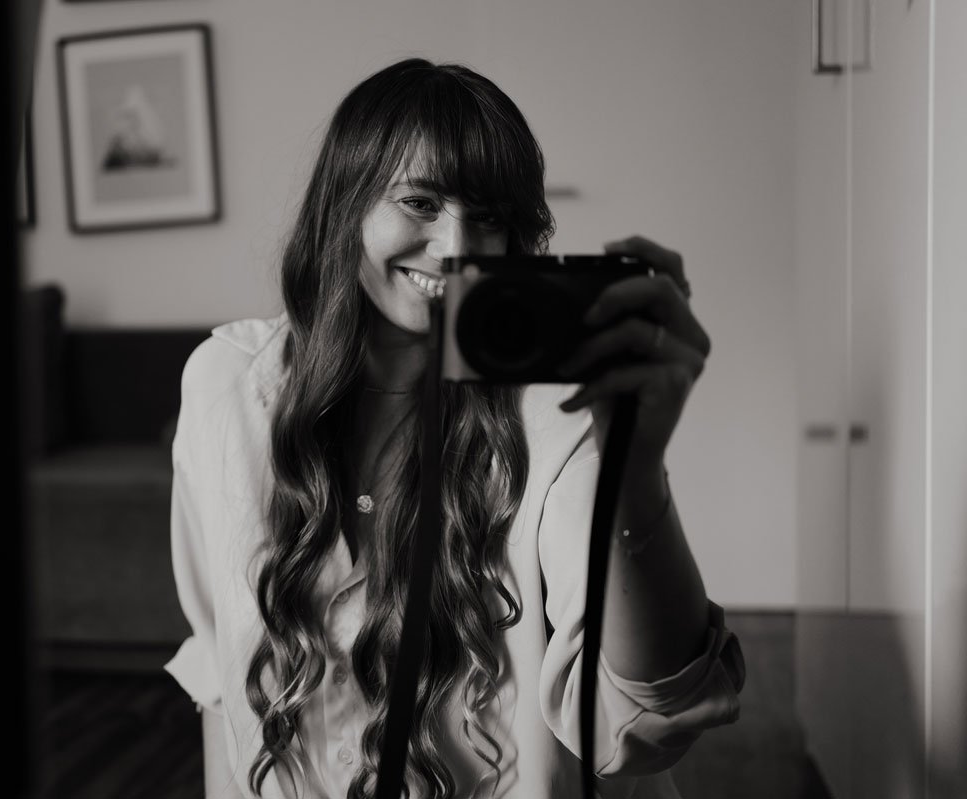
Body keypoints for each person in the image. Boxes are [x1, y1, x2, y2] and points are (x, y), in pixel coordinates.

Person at [165, 58, 744, 799]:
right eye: (419, 202)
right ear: (344, 204)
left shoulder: (556, 414)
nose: (457, 244)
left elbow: (640, 723)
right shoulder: (226, 387)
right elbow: (220, 671)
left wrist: (636, 467)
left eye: (490, 216)